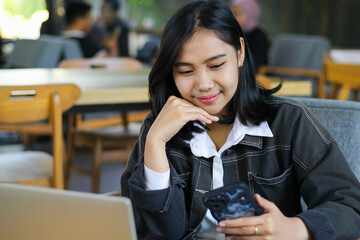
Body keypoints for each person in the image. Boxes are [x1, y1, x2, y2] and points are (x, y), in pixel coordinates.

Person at [121, 1, 360, 239]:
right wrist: (154, 143)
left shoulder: (290, 123)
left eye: (216, 65)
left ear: (240, 53)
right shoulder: (160, 129)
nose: (203, 84)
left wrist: (295, 228)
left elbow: (350, 208)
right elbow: (151, 232)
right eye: (185, 71)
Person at [230, 0, 269, 70]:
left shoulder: (259, 36)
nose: (234, 17)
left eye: (237, 13)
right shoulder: (235, 33)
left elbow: (257, 63)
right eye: (232, 13)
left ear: (249, 13)